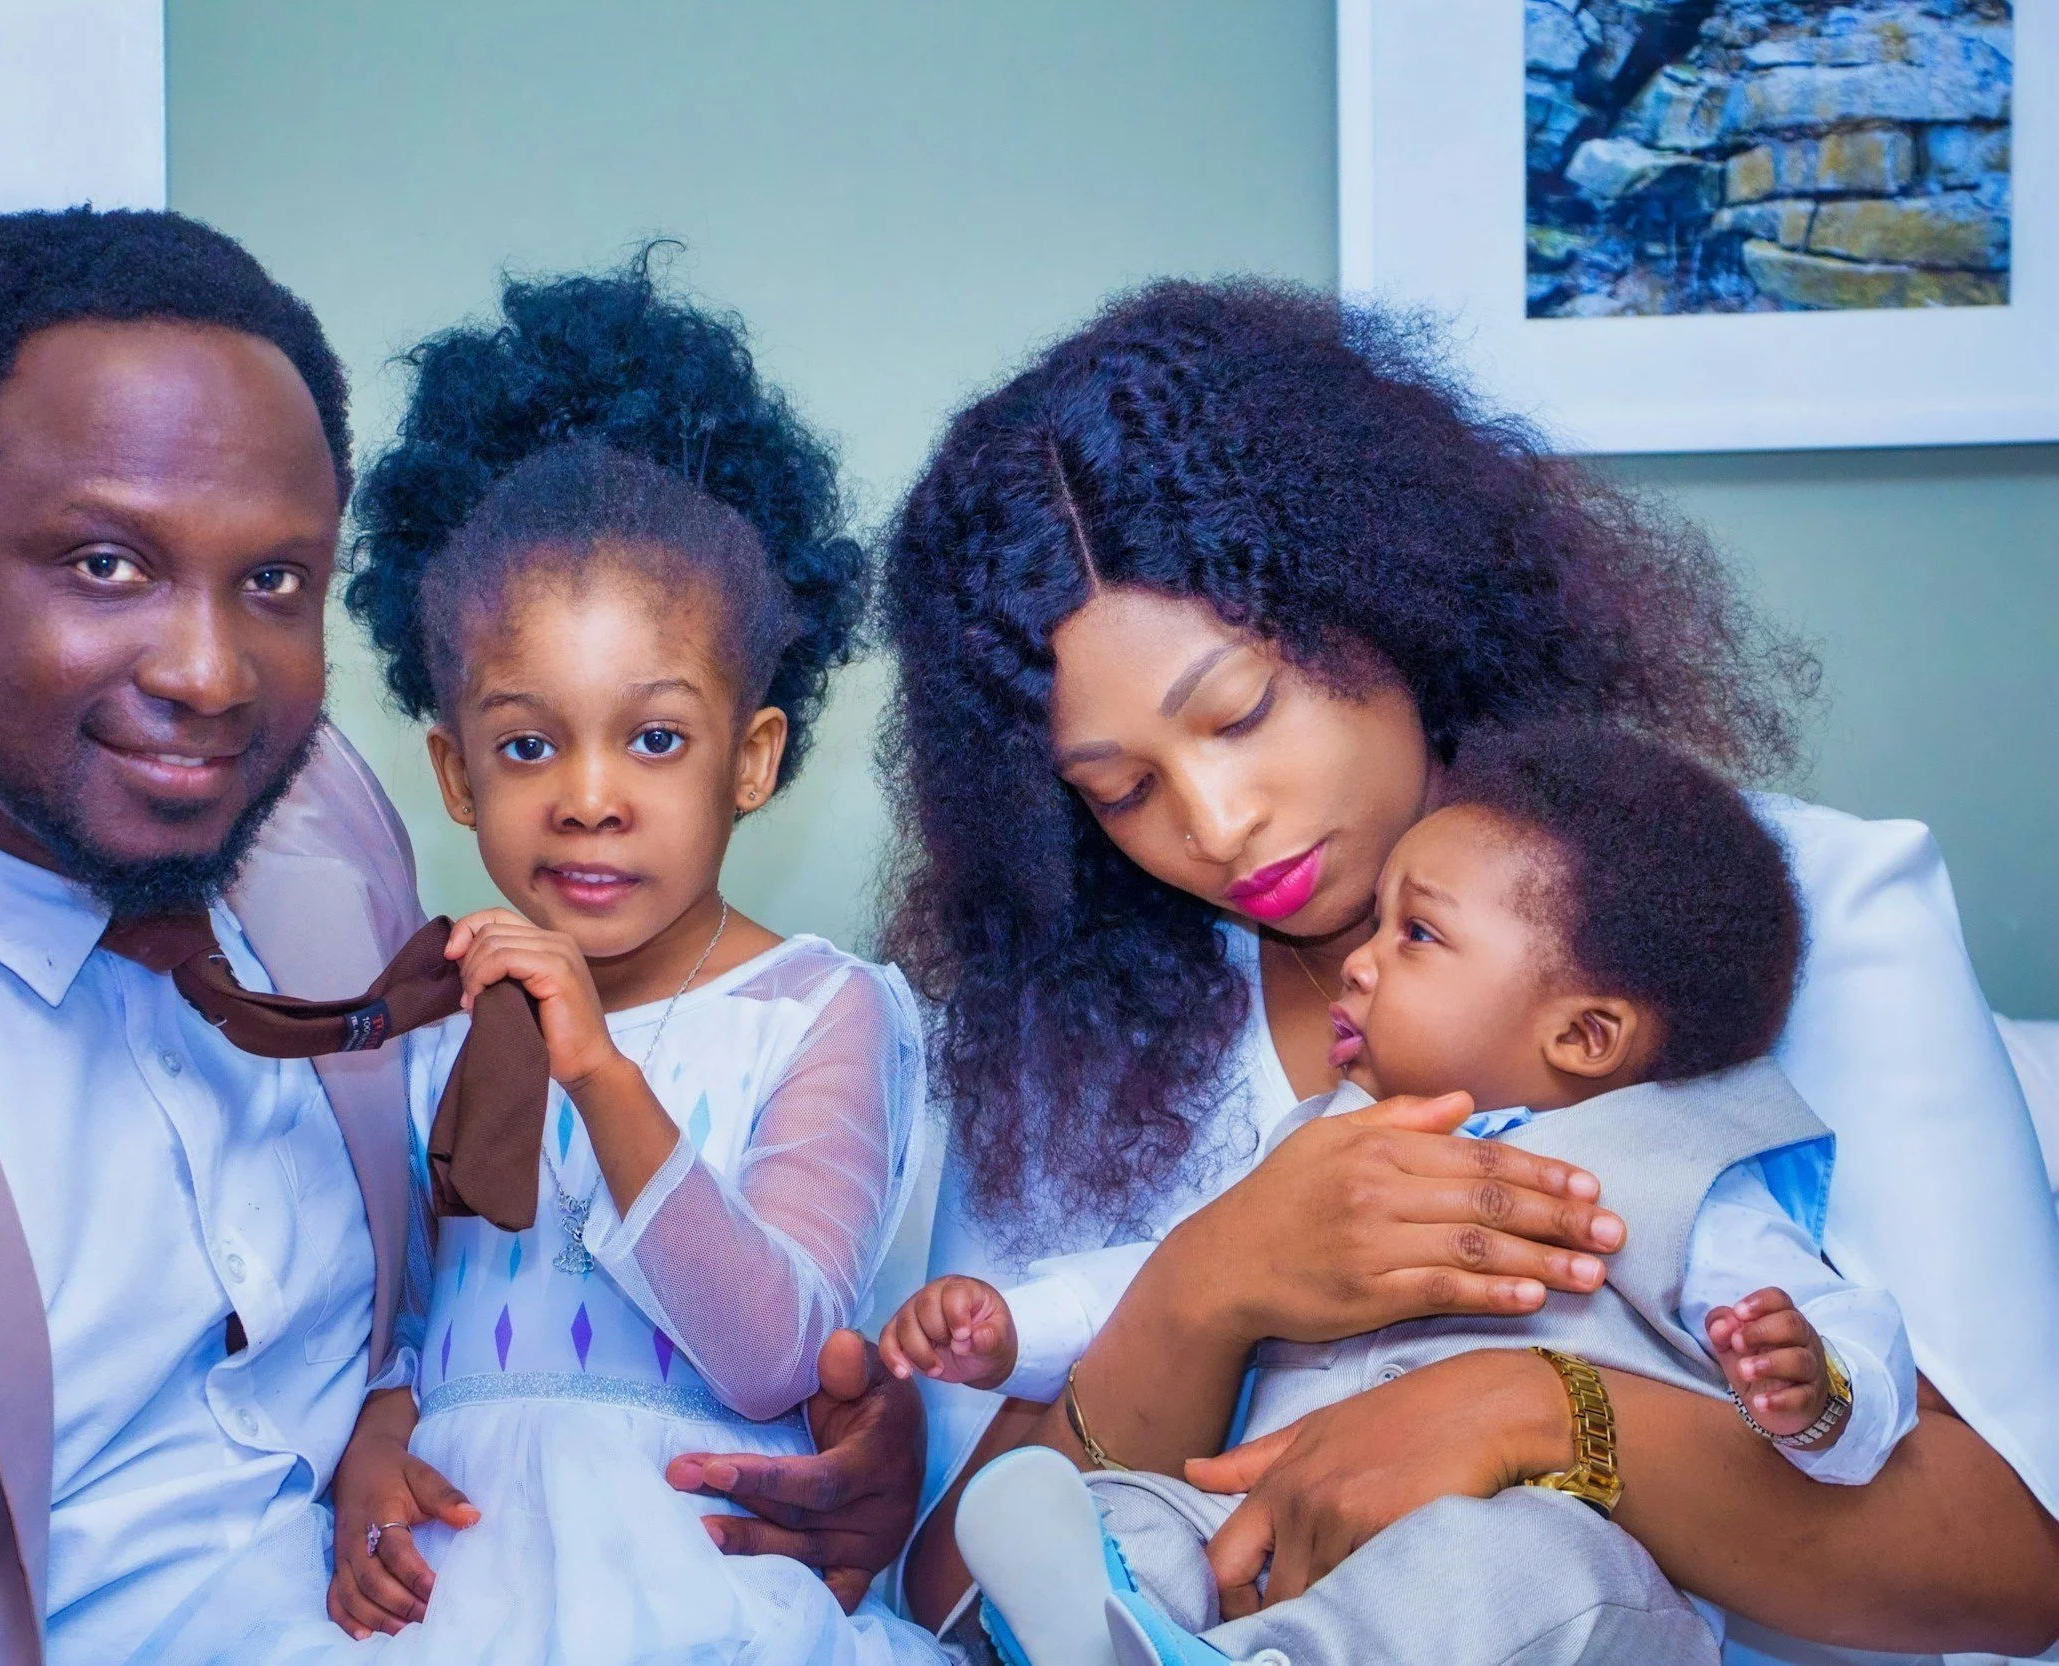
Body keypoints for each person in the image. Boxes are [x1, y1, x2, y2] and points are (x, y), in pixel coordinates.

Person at [0, 210, 917, 1666]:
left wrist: (857, 1441)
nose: (212, 675)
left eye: (273, 581)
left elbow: (509, 1275)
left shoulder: (313, 809)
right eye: (104, 565)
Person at [879, 279, 2059, 1659]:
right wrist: (1206, 1288)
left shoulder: (1798, 910)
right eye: (1121, 788)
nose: (1214, 821)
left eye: (1245, 710)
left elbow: (2019, 1559)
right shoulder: (1075, 1039)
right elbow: (953, 1594)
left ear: (1382, 600)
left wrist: (1539, 1411)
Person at [120, 264, 945, 1666]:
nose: (588, 795)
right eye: (524, 743)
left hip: (688, 1578)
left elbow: (776, 1354)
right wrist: (383, 1426)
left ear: (754, 758)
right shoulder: (444, 1015)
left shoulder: (820, 1010)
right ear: (453, 772)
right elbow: (413, 1308)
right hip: (468, 1579)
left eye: (657, 739)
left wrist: (602, 1073)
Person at [896, 725, 1916, 1665]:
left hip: (1538, 1567)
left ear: (1584, 1035)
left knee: (1529, 1564)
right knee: (1135, 1512)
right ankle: (1124, 1627)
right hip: (1271, 1520)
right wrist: (1012, 1325)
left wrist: (1817, 1391)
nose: (1359, 963)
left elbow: (1856, 1341)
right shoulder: (1332, 1141)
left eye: (1415, 934)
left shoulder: (1687, 1185)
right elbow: (1163, 1267)